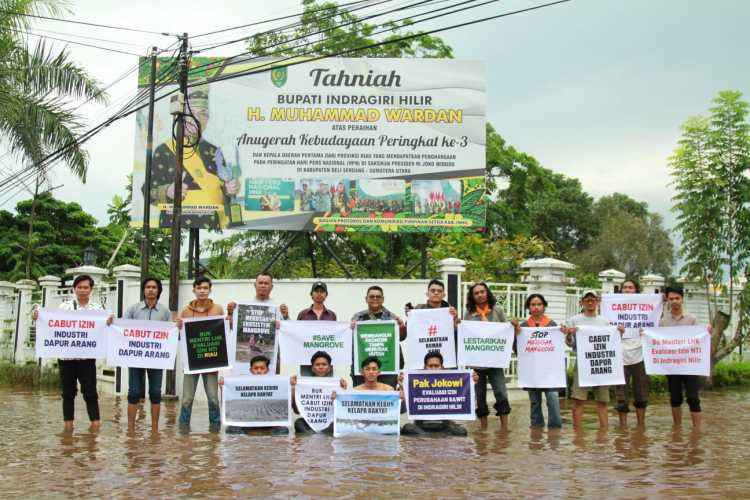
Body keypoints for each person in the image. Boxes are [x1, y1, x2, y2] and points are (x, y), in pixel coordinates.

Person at [146, 85, 239, 229]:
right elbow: (148, 192)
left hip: (212, 224)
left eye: (203, 113)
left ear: (208, 118)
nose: (196, 119)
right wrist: (167, 191)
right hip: (173, 226)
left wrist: (228, 189)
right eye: (191, 113)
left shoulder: (215, 151)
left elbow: (224, 194)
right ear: (181, 117)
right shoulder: (164, 150)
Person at [33, 274, 113, 432]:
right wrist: (38, 317)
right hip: (66, 358)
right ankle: (68, 426)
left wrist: (109, 322)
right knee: (68, 393)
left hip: (87, 358)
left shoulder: (98, 310)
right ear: (74, 288)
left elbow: (105, 329)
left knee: (90, 392)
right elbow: (52, 324)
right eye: (80, 287)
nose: (83, 290)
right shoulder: (64, 307)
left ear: (91, 289)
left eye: (86, 287)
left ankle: (95, 424)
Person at [122, 277, 181, 432]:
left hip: (156, 359)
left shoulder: (165, 312)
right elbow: (121, 329)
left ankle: (155, 430)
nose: (150, 290)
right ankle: (130, 429)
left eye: (154, 287)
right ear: (143, 290)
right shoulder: (133, 309)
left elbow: (172, 335)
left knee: (155, 393)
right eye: (148, 287)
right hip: (135, 357)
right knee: (134, 392)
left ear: (158, 290)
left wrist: (177, 327)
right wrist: (110, 322)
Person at [563, 289, 624, 430]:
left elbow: (610, 343)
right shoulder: (574, 320)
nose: (590, 302)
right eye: (587, 299)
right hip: (583, 365)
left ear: (598, 301)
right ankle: (577, 433)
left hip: (601, 366)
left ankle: (604, 432)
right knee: (578, 400)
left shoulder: (605, 321)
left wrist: (619, 333)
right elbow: (569, 343)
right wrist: (568, 334)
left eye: (593, 299)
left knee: (602, 401)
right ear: (582, 302)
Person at [659, 286, 712, 429]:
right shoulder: (663, 322)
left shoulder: (692, 319)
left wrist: (706, 332)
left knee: (693, 398)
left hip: (690, 365)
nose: (675, 301)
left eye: (677, 298)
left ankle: (697, 430)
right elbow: (658, 341)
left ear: (682, 299)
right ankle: (677, 428)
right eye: (671, 299)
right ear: (668, 300)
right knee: (675, 399)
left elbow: (699, 339)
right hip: (672, 365)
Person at [463, 282, 513, 431]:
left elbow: (506, 330)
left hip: (495, 362)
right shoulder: (469, 313)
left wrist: (513, 325)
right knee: (480, 396)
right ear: (472, 296)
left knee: (501, 392)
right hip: (476, 363)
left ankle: (504, 428)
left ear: (487, 293)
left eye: (482, 292)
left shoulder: (497, 310)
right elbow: (466, 334)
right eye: (476, 293)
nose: (480, 295)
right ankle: (483, 429)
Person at [178, 276, 224, 427]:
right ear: (194, 290)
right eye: (199, 288)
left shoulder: (218, 309)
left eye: (205, 288)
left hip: (211, 361)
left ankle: (215, 430)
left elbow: (224, 332)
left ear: (210, 290)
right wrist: (177, 326)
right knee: (186, 399)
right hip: (192, 361)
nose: (202, 291)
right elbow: (180, 335)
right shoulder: (185, 311)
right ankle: (183, 431)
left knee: (212, 398)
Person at [400, 352, 476, 437]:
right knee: (407, 429)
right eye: (430, 366)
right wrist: (402, 386)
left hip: (444, 428)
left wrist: (472, 382)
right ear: (425, 367)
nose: (433, 369)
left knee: (462, 432)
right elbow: (404, 408)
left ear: (442, 367)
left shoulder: (452, 383)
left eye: (436, 366)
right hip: (421, 428)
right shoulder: (414, 382)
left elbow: (464, 400)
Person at [517, 293, 562, 430]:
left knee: (553, 398)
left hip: (549, 370)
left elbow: (558, 348)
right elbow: (517, 349)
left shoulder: (552, 325)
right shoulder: (523, 326)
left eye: (539, 304)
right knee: (535, 402)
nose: (536, 307)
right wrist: (516, 335)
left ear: (544, 306)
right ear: (528, 307)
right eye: (533, 304)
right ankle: (536, 430)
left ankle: (555, 430)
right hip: (532, 370)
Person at [220, 355, 291, 436]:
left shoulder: (277, 382)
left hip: (270, 424)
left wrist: (291, 387)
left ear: (267, 370)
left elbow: (287, 407)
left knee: (284, 430)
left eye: (262, 368)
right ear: (251, 370)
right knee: (231, 429)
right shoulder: (241, 382)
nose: (259, 371)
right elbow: (226, 405)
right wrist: (222, 387)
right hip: (247, 423)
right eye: (256, 368)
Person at [350, 286, 406, 388]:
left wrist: (401, 326)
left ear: (382, 299)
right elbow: (351, 341)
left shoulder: (392, 317)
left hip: (388, 368)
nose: (375, 299)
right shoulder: (357, 317)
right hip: (364, 369)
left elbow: (402, 337)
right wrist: (351, 329)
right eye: (372, 296)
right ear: (366, 299)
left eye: (378, 296)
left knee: (387, 398)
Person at [614, 279, 650, 428]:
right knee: (621, 394)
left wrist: (662, 301)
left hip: (640, 354)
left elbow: (656, 321)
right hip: (620, 355)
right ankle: (623, 427)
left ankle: (640, 427)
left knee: (641, 392)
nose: (627, 290)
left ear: (636, 290)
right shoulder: (612, 308)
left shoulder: (646, 309)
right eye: (625, 288)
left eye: (631, 287)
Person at [290, 351, 347, 434]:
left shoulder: (338, 384)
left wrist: (342, 393)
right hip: (309, 423)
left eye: (324, 364)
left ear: (329, 368)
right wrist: (294, 389)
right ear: (312, 368)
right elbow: (297, 411)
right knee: (299, 422)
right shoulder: (302, 384)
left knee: (337, 425)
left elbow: (342, 412)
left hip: (329, 423)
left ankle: (317, 437)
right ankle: (317, 437)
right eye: (317, 364)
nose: (321, 367)